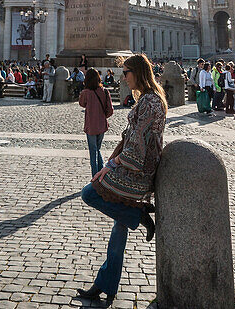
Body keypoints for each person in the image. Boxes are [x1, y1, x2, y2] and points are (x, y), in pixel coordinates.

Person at [77, 54, 165, 307]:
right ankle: (105, 285)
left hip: (137, 171)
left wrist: (112, 165)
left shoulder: (150, 102)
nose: (122, 77)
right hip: (133, 165)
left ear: (137, 72)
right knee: (118, 227)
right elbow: (131, 138)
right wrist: (110, 162)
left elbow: (136, 144)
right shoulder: (148, 99)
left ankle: (138, 215)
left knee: (89, 194)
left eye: (125, 72)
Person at [80, 67, 114, 178]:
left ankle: (95, 176)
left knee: (93, 151)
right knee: (97, 149)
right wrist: (103, 117)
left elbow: (82, 104)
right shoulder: (104, 91)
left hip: (91, 126)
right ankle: (101, 174)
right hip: (102, 126)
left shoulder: (86, 92)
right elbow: (110, 110)